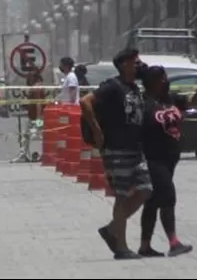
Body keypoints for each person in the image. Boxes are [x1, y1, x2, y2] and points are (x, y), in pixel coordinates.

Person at [80, 48, 151, 260]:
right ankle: (121, 246)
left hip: (136, 149)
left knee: (145, 190)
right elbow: (85, 102)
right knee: (122, 196)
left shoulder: (134, 87)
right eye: (134, 61)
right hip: (116, 149)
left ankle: (112, 229)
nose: (138, 64)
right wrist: (97, 131)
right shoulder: (112, 86)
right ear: (124, 64)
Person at [137, 65, 197, 258]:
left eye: (165, 77)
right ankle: (174, 242)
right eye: (160, 78)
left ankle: (145, 246)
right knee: (168, 196)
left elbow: (189, 103)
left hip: (170, 158)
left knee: (153, 202)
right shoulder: (144, 104)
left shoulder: (169, 99)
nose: (165, 81)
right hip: (153, 158)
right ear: (151, 83)